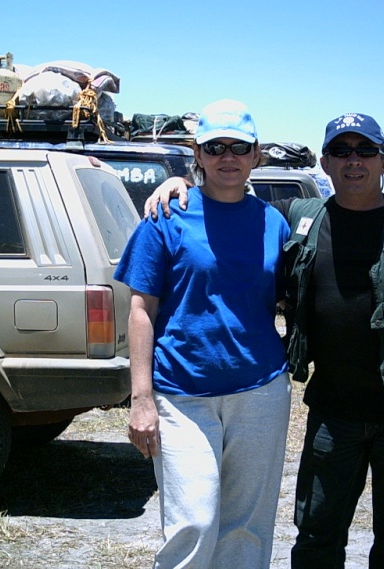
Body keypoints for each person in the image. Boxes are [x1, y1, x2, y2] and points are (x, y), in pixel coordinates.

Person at [144, 112, 384, 568]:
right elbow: (228, 208)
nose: (353, 162)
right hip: (333, 412)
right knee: (317, 538)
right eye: (341, 152)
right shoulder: (298, 219)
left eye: (365, 151)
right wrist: (179, 185)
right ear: (324, 163)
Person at [114, 99, 292, 569]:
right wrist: (141, 398)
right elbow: (140, 310)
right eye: (216, 147)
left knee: (248, 528)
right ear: (197, 152)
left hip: (261, 392)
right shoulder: (166, 216)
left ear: (256, 155)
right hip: (182, 397)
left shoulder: (273, 222)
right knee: (193, 523)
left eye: (239, 147)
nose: (227, 157)